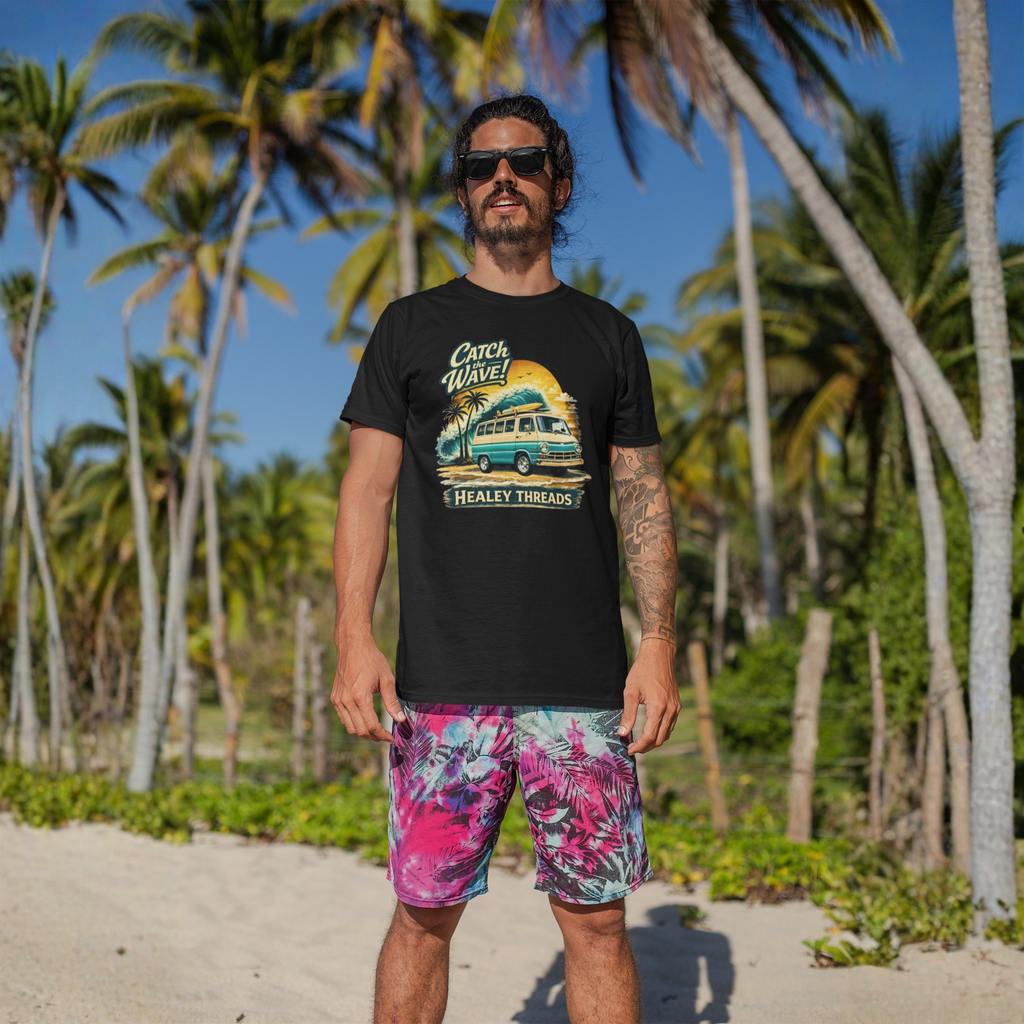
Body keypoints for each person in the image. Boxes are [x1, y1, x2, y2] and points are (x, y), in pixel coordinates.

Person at [332, 93, 680, 1024]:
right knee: (422, 914)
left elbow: (642, 494)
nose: (504, 180)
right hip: (442, 682)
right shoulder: (409, 327)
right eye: (484, 167)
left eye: (525, 162)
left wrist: (658, 642)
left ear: (557, 184)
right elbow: (365, 491)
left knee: (597, 921)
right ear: (462, 191)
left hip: (582, 684)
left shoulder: (610, 335)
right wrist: (353, 638)